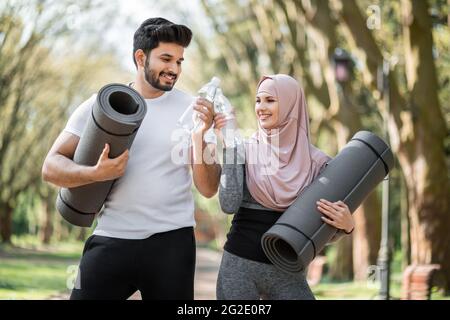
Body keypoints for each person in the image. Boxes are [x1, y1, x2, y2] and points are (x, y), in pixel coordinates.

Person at [42, 17, 221, 300]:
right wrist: (95, 174)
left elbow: (209, 188)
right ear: (141, 57)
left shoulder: (194, 111)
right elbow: (51, 167)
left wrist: (200, 135)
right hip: (112, 236)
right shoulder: (102, 104)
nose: (174, 69)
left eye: (180, 61)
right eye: (166, 59)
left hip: (172, 243)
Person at [214, 74, 355, 300]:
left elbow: (318, 229)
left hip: (289, 271)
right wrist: (230, 143)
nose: (261, 107)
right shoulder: (244, 149)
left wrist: (345, 227)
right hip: (240, 266)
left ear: (291, 104)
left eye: (270, 100)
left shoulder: (318, 163)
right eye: (258, 100)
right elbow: (228, 204)